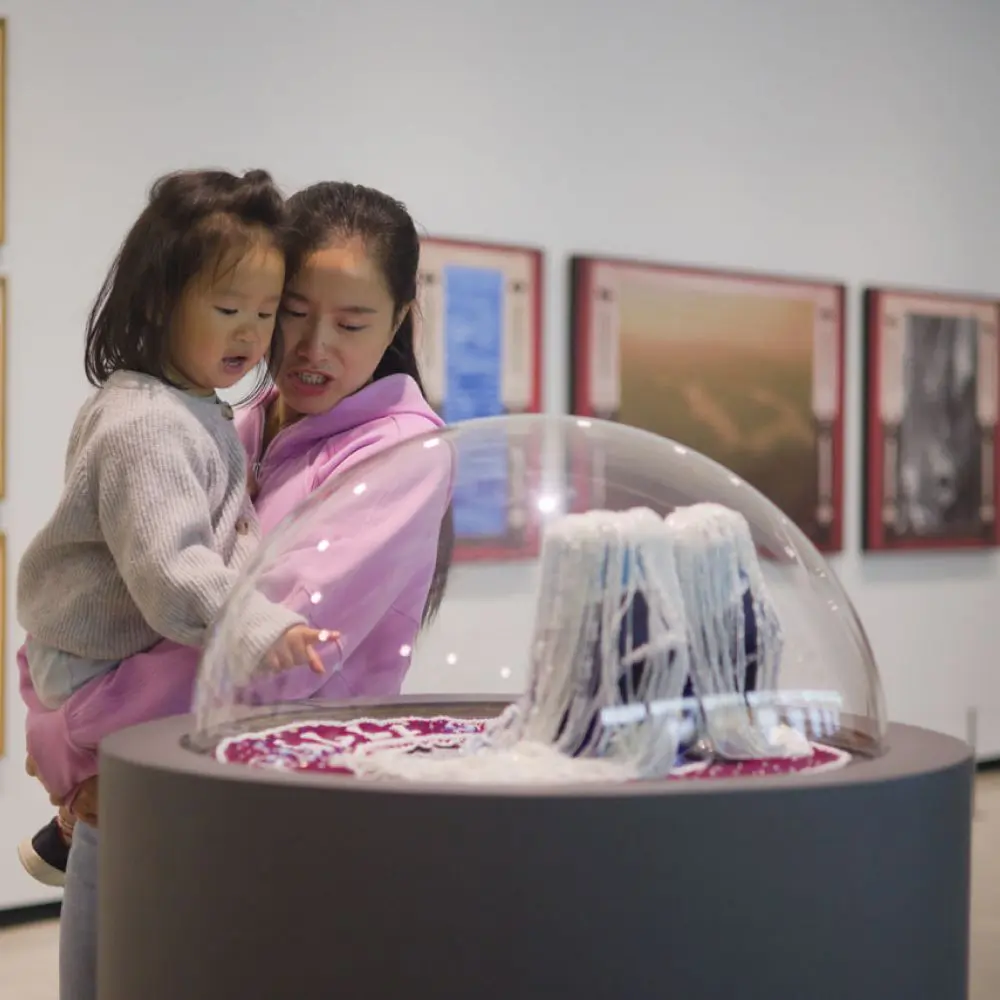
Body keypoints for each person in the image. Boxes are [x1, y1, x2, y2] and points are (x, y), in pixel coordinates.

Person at [20, 180, 453, 1000]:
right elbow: (104, 579)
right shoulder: (225, 419)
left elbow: (261, 659)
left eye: (352, 323)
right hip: (141, 784)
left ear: (400, 320)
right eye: (291, 310)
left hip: (251, 809)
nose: (311, 346)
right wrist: (56, 709)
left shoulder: (400, 457)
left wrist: (71, 735)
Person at [17, 167, 332, 886]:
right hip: (94, 659)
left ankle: (70, 831)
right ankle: (76, 821)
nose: (251, 332)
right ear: (159, 301)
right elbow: (173, 571)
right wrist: (262, 627)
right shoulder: (150, 425)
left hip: (95, 648)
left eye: (266, 312)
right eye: (227, 308)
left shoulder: (187, 404)